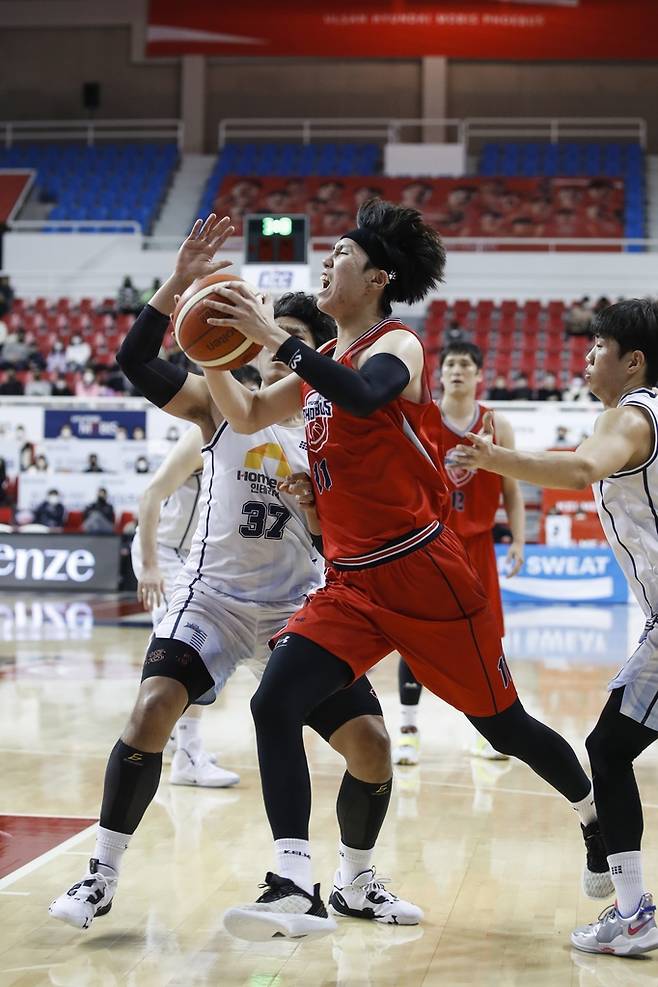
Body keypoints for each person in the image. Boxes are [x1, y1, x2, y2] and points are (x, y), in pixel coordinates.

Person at [199, 198, 611, 941]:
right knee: (273, 702)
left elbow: (365, 396)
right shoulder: (323, 366)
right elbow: (255, 414)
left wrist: (276, 340)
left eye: (342, 257)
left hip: (425, 572)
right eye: (325, 257)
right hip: (352, 582)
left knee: (503, 727)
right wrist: (212, 353)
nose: (327, 263)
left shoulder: (399, 344)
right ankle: (296, 881)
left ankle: (592, 814)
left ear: (379, 277)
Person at [49, 214, 421, 935]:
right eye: (268, 338)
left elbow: (336, 528)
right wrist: (183, 281)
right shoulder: (224, 402)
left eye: (293, 343)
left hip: (300, 604)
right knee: (154, 704)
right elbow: (134, 359)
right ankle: (100, 873)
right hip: (214, 595)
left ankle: (355, 880)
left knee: (372, 748)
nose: (278, 353)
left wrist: (314, 509)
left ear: (317, 354)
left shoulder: (332, 422)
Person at [450, 298, 658, 957]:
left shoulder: (630, 416)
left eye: (597, 348)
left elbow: (577, 469)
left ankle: (634, 913)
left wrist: (491, 459)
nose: (586, 358)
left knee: (608, 746)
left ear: (632, 360)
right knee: (611, 745)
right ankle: (632, 910)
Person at [393, 341, 526, 766]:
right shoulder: (424, 416)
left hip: (479, 546)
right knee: (417, 639)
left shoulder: (495, 423)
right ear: (440, 371)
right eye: (449, 364)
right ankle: (409, 729)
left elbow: (512, 488)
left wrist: (520, 541)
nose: (456, 371)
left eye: (465, 365)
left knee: (486, 641)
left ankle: (486, 732)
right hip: (430, 543)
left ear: (479, 375)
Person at [130, 424, 239, 788]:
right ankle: (187, 754)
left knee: (193, 646)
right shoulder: (205, 434)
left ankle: (178, 736)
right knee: (189, 645)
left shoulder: (261, 438)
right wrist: (149, 566)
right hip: (164, 551)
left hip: (199, 554)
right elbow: (151, 495)